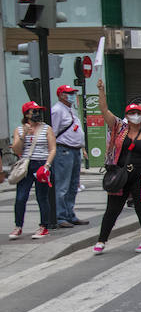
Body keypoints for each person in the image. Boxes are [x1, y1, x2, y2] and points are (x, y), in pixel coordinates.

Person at [92, 81, 141, 254]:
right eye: (131, 113)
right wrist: (101, 91)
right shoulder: (118, 128)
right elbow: (104, 111)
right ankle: (102, 240)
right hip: (120, 175)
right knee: (112, 209)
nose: (134, 116)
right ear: (126, 115)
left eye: (137, 113)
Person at [8, 101, 56, 239]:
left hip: (41, 164)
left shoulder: (46, 128)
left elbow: (52, 148)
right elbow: (17, 150)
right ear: (26, 114)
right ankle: (18, 226)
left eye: (38, 111)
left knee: (42, 197)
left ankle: (44, 226)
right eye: (34, 111)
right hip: (26, 165)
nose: (37, 114)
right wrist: (24, 135)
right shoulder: (19, 129)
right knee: (21, 197)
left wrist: (47, 165)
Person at [50, 84, 88, 227]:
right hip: (63, 151)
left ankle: (69, 214)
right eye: (69, 93)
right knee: (62, 186)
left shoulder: (70, 109)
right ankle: (60, 217)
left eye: (73, 92)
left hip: (75, 150)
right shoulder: (57, 111)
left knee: (73, 185)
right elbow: (52, 133)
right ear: (61, 95)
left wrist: (82, 147)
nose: (72, 95)